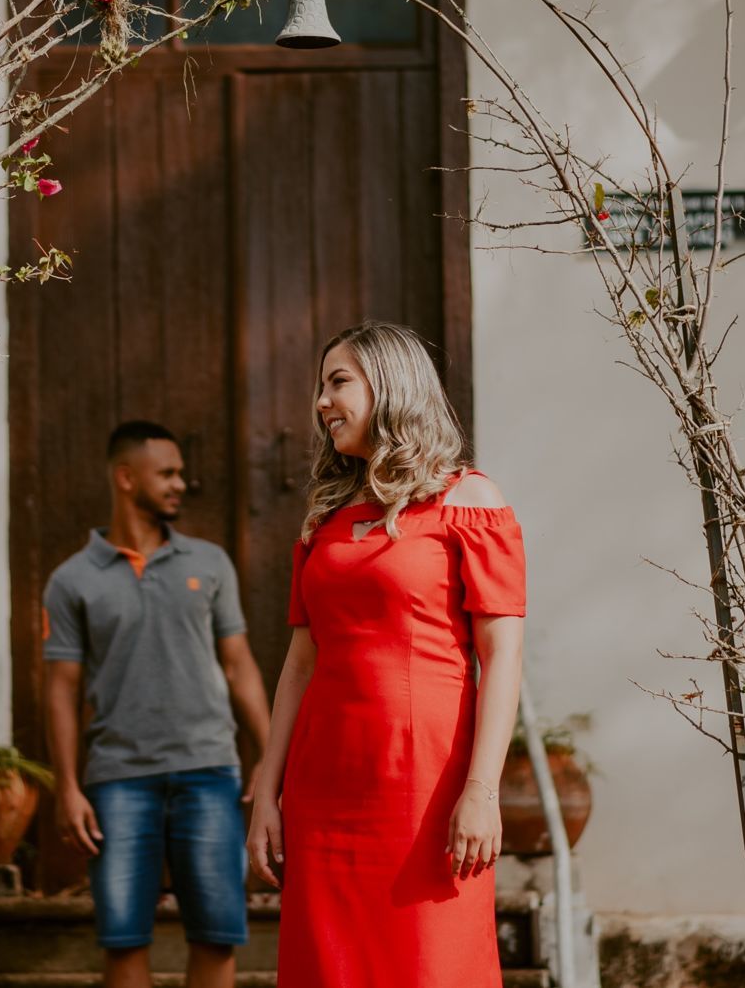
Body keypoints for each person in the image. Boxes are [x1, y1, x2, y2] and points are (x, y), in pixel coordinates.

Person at [246, 322, 527, 988]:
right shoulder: (325, 518)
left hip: (425, 786)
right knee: (329, 968)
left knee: (429, 963)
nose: (321, 402)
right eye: (321, 386)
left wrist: (482, 791)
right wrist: (267, 791)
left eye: (338, 382)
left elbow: (504, 657)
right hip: (324, 787)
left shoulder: (469, 501)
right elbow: (299, 664)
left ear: (392, 385)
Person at [43, 420, 274, 988]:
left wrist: (271, 757)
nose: (180, 484)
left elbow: (240, 664)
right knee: (123, 941)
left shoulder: (210, 563)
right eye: (166, 473)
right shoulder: (71, 581)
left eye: (179, 473)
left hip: (208, 773)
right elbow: (61, 688)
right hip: (119, 780)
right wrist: (68, 786)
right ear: (126, 478)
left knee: (218, 936)